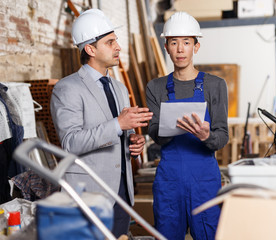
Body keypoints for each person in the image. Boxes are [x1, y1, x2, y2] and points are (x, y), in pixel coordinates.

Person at [50, 9, 153, 238]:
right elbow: (70, 143)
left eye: (116, 41)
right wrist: (118, 124)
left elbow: (118, 135)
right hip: (89, 196)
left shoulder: (119, 88)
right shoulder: (67, 88)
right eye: (110, 42)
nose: (118, 47)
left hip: (122, 194)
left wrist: (134, 143)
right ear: (90, 49)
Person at [146, 12, 229, 240]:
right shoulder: (156, 87)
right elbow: (154, 132)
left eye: (186, 42)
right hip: (169, 183)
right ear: (166, 47)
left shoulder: (215, 85)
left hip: (205, 182)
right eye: (174, 42)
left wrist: (206, 136)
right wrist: (169, 128)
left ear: (196, 46)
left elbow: (222, 136)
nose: (180, 49)